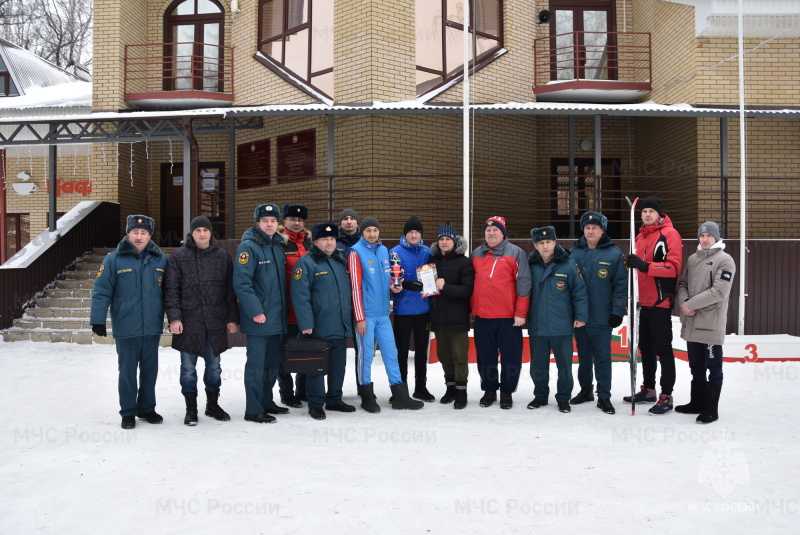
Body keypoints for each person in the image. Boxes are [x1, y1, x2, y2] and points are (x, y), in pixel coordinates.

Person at [90, 215, 168, 429]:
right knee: (127, 373)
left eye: (144, 233)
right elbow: (101, 291)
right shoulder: (113, 259)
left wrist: (174, 317)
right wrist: (98, 319)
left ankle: (147, 408)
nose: (139, 236)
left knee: (150, 371)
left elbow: (169, 293)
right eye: (135, 232)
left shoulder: (160, 259)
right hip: (126, 327)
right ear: (128, 234)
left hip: (152, 327)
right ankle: (128, 412)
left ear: (150, 236)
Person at [163, 216, 239, 426]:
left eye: (206, 230)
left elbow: (229, 291)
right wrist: (175, 318)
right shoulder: (179, 256)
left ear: (211, 232)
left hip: (215, 322)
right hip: (189, 322)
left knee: (214, 367)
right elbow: (171, 290)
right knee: (188, 368)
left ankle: (212, 405)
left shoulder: (222, 257)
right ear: (192, 233)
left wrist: (232, 317)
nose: (202, 234)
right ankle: (191, 409)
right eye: (198, 231)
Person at [348, 217, 424, 411]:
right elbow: (355, 288)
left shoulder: (383, 251)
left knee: (391, 353)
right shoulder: (355, 252)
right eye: (368, 231)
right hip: (366, 315)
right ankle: (367, 397)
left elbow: (387, 278)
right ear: (362, 232)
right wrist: (359, 317)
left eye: (375, 230)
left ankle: (400, 395)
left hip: (383, 314)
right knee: (366, 357)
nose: (372, 234)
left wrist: (394, 286)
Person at [623, 196, 683, 415]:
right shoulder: (639, 236)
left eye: (651, 211)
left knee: (663, 349)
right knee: (645, 348)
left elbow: (673, 268)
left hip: (660, 302)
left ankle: (666, 395)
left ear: (659, 214)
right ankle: (648, 389)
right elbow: (636, 270)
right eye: (643, 211)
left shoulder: (670, 234)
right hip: (642, 302)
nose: (647, 215)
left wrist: (645, 266)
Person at [291, 223, 357, 420]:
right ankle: (316, 403)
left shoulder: (340, 261)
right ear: (316, 241)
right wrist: (306, 324)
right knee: (316, 367)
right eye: (325, 239)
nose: (330, 242)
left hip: (340, 324)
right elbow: (300, 296)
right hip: (318, 326)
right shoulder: (306, 263)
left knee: (338, 366)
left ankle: (335, 398)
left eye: (332, 239)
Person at [233, 203, 289, 424]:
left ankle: (266, 401)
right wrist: (255, 311)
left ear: (278, 224)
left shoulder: (277, 245)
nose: (269, 224)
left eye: (273, 221)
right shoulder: (248, 247)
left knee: (272, 364)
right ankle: (253, 409)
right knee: (256, 365)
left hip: (277, 317)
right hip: (259, 318)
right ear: (257, 223)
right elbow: (242, 283)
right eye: (265, 221)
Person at [568, 212, 628, 415]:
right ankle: (586, 390)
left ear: (603, 230)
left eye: (594, 228)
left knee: (602, 358)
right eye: (586, 228)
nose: (590, 231)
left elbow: (621, 286)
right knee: (584, 356)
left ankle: (604, 395)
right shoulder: (573, 253)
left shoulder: (614, 254)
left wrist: (618, 311)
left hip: (602, 317)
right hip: (579, 317)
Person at [676, 222, 735, 424]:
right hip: (691, 321)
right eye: (702, 235)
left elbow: (719, 292)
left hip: (710, 324)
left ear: (717, 237)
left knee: (713, 368)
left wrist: (691, 304)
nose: (705, 239)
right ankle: (696, 404)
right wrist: (684, 303)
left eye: (709, 235)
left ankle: (711, 410)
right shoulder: (693, 259)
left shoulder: (725, 260)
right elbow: (682, 283)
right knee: (696, 367)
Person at [471, 216, 531, 409]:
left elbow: (524, 283)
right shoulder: (476, 254)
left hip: (509, 318)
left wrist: (520, 313)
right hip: (483, 317)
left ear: (503, 232)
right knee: (485, 357)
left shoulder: (516, 253)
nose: (491, 233)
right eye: (488, 231)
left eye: (495, 230)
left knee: (511, 357)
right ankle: (489, 391)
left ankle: (507, 391)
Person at [526, 226, 588, 413]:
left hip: (561, 324)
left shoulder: (568, 264)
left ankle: (563, 398)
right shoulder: (530, 265)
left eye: (548, 242)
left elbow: (579, 292)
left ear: (555, 242)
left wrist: (580, 316)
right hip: (537, 325)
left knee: (564, 366)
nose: (545, 246)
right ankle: (540, 396)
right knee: (538, 365)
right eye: (541, 243)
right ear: (535, 245)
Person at [429, 222, 474, 409]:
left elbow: (467, 290)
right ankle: (450, 389)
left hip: (458, 318)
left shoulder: (464, 262)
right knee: (444, 356)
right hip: (439, 317)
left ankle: (462, 392)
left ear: (454, 242)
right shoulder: (433, 262)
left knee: (459, 356)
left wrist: (445, 286)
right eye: (442, 239)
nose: (445, 242)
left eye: (448, 239)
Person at [390, 216, 435, 402]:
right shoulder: (394, 252)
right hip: (403, 310)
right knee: (401, 351)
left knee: (421, 350)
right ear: (405, 234)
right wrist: (405, 284)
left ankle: (421, 388)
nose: (414, 234)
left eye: (417, 231)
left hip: (424, 309)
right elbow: (390, 279)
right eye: (410, 232)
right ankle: (401, 388)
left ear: (421, 234)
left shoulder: (426, 252)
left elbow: (434, 274)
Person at [278, 204, 312, 408]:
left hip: (306, 310)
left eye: (300, 220)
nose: (296, 223)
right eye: (292, 219)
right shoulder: (279, 244)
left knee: (306, 351)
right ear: (285, 222)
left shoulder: (310, 244)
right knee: (284, 353)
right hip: (286, 309)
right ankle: (286, 392)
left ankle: (303, 390)